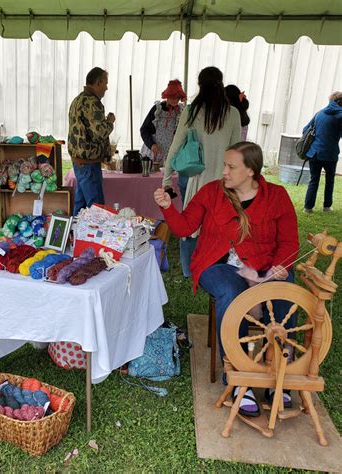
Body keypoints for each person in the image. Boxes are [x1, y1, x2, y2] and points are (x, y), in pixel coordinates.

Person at [155, 141, 299, 415]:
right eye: (224, 165)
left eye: (231, 167)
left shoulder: (277, 196)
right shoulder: (212, 192)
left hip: (264, 266)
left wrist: (276, 269)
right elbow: (185, 226)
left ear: (251, 171)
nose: (224, 172)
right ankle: (237, 381)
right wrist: (167, 207)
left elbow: (290, 242)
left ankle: (279, 376)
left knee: (285, 291)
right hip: (215, 264)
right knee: (231, 293)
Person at [162, 66, 241, 278]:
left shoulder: (192, 111)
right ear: (221, 84)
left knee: (189, 228)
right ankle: (216, 267)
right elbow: (237, 152)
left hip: (197, 181)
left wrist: (166, 179)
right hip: (224, 183)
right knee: (220, 228)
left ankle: (190, 270)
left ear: (200, 85)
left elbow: (175, 146)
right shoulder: (233, 113)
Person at [68, 67, 115, 215]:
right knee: (97, 208)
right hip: (89, 163)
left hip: (79, 161)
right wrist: (110, 121)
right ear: (98, 83)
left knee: (80, 206)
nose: (106, 88)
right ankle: (94, 236)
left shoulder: (78, 100)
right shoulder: (92, 102)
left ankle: (74, 235)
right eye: (105, 83)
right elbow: (99, 132)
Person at [140, 79, 188, 199]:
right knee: (149, 184)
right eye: (172, 97)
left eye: (177, 97)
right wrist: (151, 144)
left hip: (170, 155)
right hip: (152, 153)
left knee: (166, 182)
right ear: (167, 96)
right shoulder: (157, 109)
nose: (174, 100)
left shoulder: (182, 111)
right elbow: (144, 129)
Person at [303, 91, 342, 213]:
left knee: (314, 180)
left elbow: (305, 129)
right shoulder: (340, 116)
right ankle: (327, 207)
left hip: (314, 153)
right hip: (330, 154)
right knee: (329, 180)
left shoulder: (319, 114)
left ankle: (308, 208)